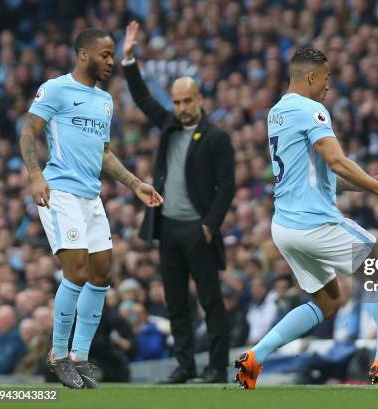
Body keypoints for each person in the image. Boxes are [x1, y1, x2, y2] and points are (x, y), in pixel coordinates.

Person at [234, 47, 378, 390]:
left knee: (330, 300)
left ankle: (256, 356)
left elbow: (318, 173)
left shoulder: (277, 112)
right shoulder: (312, 109)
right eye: (328, 77)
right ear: (312, 76)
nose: (329, 85)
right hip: (314, 223)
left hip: (285, 227)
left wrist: (368, 184)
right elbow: (335, 161)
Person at [19, 27, 163, 389]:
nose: (111, 61)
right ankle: (58, 354)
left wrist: (134, 184)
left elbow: (104, 154)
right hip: (60, 192)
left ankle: (81, 357)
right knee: (77, 269)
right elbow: (28, 133)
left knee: (101, 272)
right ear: (83, 55)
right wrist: (36, 176)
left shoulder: (104, 100)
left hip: (90, 196)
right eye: (106, 54)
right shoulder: (55, 89)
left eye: (114, 55)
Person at [122, 21, 235, 384]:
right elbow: (142, 98)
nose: (182, 108)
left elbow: (227, 188)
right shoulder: (169, 124)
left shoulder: (218, 138)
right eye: (177, 102)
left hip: (197, 230)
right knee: (175, 304)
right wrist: (128, 60)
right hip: (167, 228)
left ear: (200, 99)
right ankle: (185, 366)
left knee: (210, 301)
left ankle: (217, 367)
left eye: (188, 101)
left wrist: (208, 226)